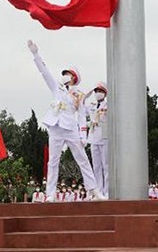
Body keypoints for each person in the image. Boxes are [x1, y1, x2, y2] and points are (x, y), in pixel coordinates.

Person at [27, 40, 106, 202]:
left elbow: (82, 115)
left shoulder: (78, 95)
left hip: (70, 129)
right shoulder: (57, 88)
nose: (64, 76)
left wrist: (83, 135)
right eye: (64, 74)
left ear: (73, 78)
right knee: (53, 161)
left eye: (67, 74)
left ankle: (94, 190)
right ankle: (51, 194)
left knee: (83, 160)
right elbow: (45, 72)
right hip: (55, 127)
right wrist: (36, 54)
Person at [85, 82, 110, 198]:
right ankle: (98, 191)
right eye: (96, 91)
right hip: (93, 136)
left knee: (106, 165)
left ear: (105, 93)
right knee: (96, 166)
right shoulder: (91, 105)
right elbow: (80, 104)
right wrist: (88, 92)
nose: (97, 94)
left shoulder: (108, 105)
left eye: (100, 91)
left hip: (104, 136)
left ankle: (107, 191)